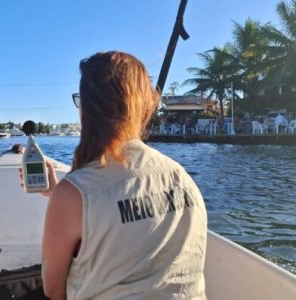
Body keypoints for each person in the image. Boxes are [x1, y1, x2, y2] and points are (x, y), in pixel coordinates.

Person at [41, 52, 207, 299]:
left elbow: (54, 290)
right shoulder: (180, 176)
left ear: (87, 108)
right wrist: (59, 195)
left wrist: (61, 198)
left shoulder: (73, 195)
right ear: (142, 104)